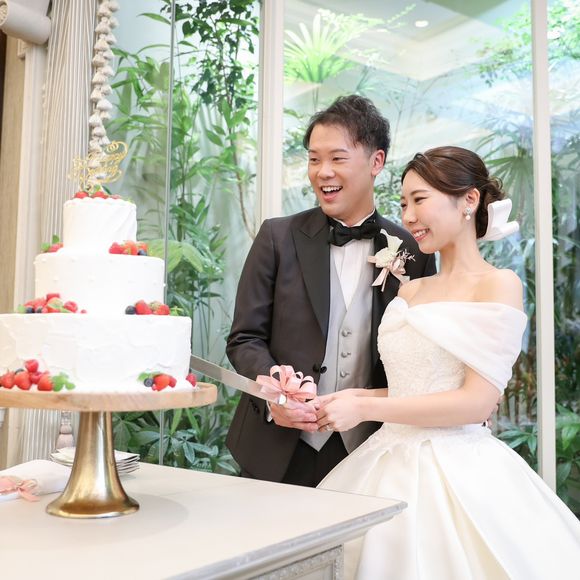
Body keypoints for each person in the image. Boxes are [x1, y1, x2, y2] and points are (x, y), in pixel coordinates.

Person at [316, 146, 580, 579]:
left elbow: (476, 403)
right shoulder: (410, 291)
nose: (409, 216)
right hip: (385, 459)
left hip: (458, 470)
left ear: (469, 200)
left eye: (420, 200)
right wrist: (350, 397)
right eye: (403, 203)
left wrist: (364, 407)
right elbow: (414, 389)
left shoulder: (498, 284)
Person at [225, 95, 436, 486]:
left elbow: (421, 357)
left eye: (337, 158)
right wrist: (275, 394)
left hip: (369, 449)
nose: (322, 172)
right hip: (276, 447)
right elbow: (244, 338)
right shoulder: (276, 237)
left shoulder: (413, 251)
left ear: (376, 161)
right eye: (313, 159)